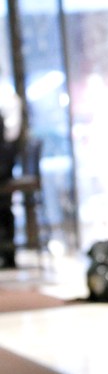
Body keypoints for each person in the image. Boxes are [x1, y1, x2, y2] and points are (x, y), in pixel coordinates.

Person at [0, 78, 22, 269]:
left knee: (3, 206)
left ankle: (7, 252)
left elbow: (11, 135)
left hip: (2, 162)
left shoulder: (5, 94)